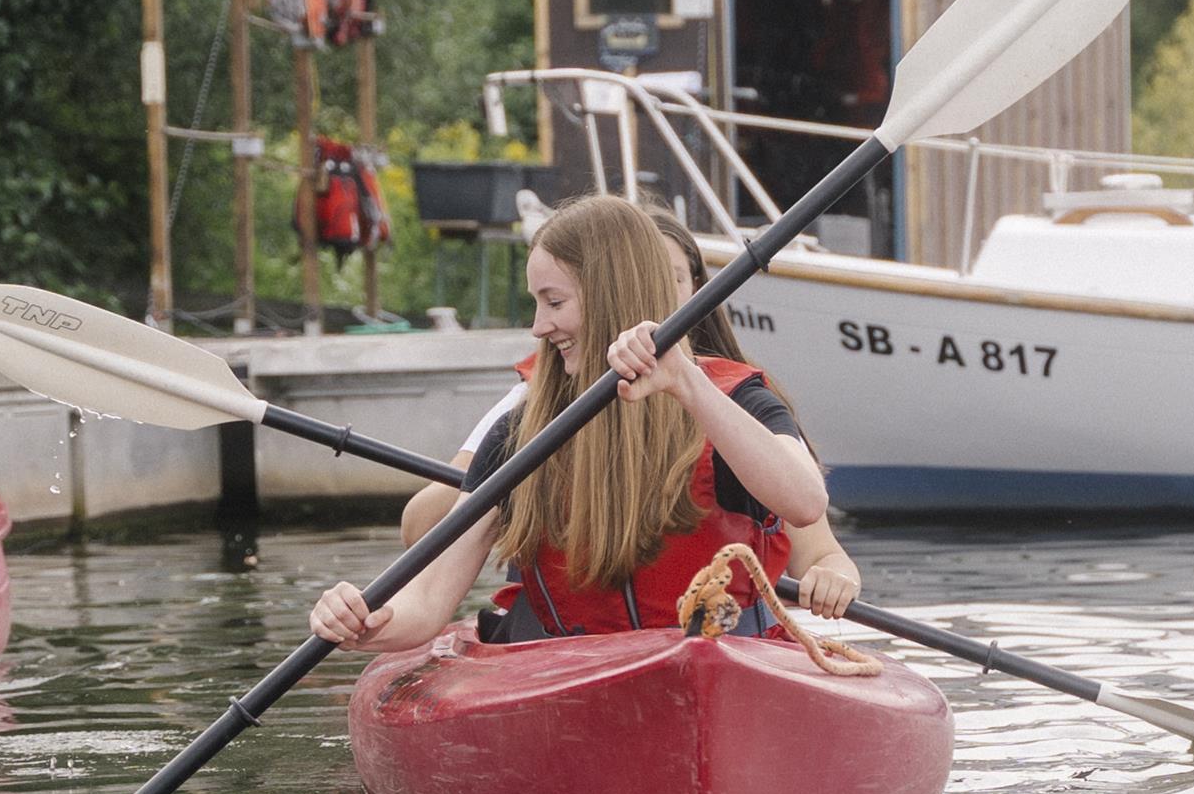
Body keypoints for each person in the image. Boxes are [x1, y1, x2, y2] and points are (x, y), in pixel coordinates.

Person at [310, 194, 833, 657]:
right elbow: (426, 604)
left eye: (554, 302)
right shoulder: (520, 435)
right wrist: (367, 623)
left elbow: (804, 501)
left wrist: (687, 384)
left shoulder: (741, 402)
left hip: (725, 661)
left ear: (611, 295)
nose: (539, 326)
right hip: (574, 672)